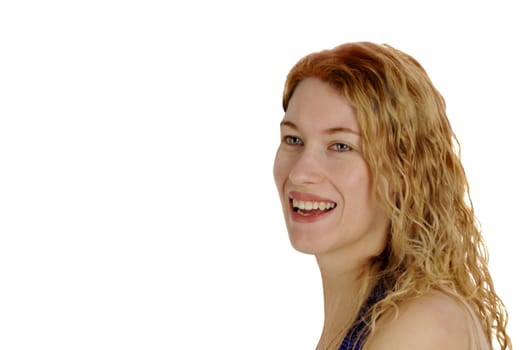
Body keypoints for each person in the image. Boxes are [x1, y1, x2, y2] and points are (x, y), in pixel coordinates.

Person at [273, 42, 512, 350]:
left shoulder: (421, 325)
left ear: (402, 173)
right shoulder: (374, 318)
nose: (300, 172)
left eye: (341, 146)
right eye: (293, 139)